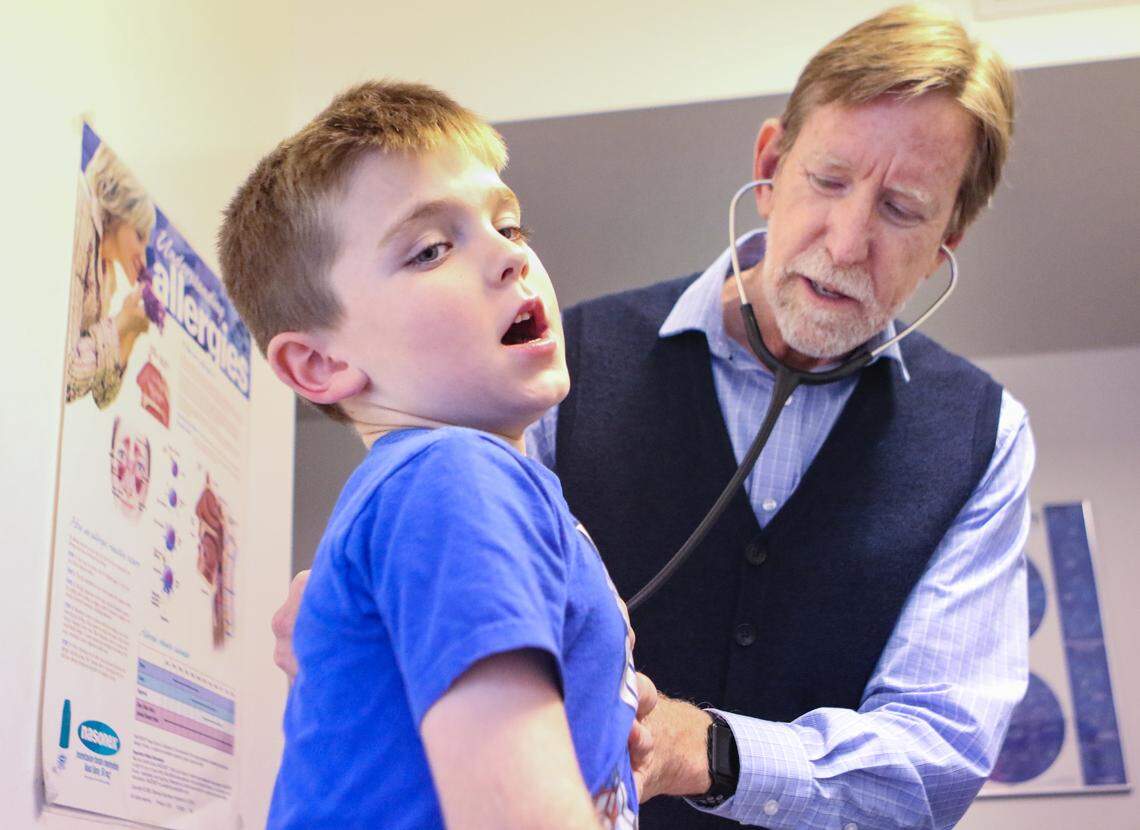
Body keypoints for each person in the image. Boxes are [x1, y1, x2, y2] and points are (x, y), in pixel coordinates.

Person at [274, 6, 1035, 829]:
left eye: (903, 210)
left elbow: (940, 750)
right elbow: (438, 547)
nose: (848, 242)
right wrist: (359, 602)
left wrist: (708, 750)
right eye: (828, 180)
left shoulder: (983, 435)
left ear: (947, 237)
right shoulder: (547, 371)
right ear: (772, 164)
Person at [218, 81, 651, 829]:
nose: (509, 257)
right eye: (430, 250)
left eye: (510, 226)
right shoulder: (454, 478)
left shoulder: (445, 489)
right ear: (319, 366)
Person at [66, 142, 154, 408]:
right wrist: (119, 323)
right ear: (118, 213)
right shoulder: (80, 221)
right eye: (138, 236)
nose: (142, 255)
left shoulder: (107, 280)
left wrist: (129, 332)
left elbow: (103, 396)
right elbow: (66, 376)